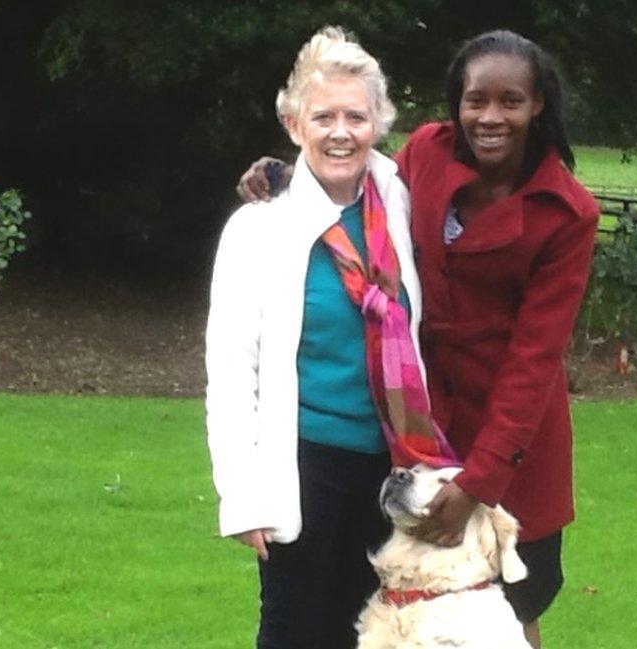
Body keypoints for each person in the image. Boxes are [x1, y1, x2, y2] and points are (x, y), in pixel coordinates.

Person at [236, 30, 599, 649]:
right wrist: (285, 174)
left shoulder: (567, 213)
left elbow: (534, 362)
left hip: (511, 439)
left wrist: (479, 483)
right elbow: (358, 189)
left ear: (538, 104)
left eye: (510, 101)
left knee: (506, 611)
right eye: (474, 99)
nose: (490, 116)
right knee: (387, 605)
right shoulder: (427, 153)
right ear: (455, 102)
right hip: (412, 426)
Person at [206, 26, 452, 649]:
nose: (340, 132)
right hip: (303, 465)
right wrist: (242, 495)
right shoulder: (259, 225)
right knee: (294, 632)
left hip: (393, 464)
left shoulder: (398, 200)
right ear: (293, 124)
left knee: (374, 634)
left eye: (355, 116)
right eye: (323, 117)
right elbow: (233, 370)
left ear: (379, 123)